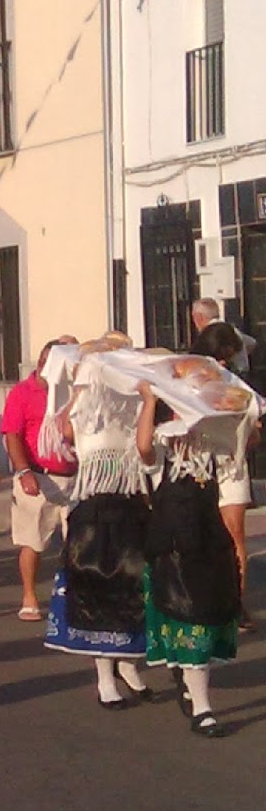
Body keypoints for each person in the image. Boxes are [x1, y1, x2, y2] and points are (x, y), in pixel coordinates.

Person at [42, 369, 152, 708]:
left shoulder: (134, 407)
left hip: (131, 506)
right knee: (98, 589)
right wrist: (78, 389)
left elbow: (146, 450)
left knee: (134, 589)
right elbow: (64, 431)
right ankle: (105, 677)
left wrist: (148, 397)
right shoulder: (84, 409)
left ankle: (128, 663)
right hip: (94, 510)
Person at [135, 382, 239, 737]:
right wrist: (149, 400)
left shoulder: (211, 446)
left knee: (207, 621)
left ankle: (193, 690)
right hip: (173, 551)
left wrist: (236, 408)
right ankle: (203, 709)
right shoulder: (163, 444)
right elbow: (143, 449)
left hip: (209, 545)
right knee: (189, 620)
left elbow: (247, 441)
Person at [1, 338, 80, 621]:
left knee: (78, 542)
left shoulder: (73, 391)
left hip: (74, 477)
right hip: (37, 474)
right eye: (44, 362)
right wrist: (23, 471)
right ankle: (29, 595)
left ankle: (74, 594)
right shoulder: (22, 392)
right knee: (32, 540)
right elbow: (12, 434)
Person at [189, 316, 257, 631]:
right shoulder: (189, 378)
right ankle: (206, 600)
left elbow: (254, 430)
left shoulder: (234, 383)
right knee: (203, 533)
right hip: (201, 463)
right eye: (220, 355)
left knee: (233, 535)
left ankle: (235, 603)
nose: (223, 363)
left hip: (230, 464)